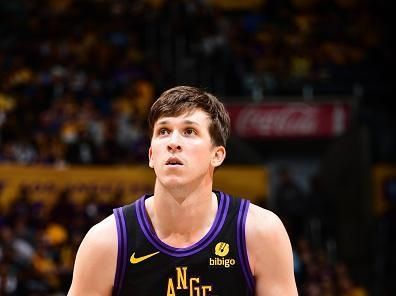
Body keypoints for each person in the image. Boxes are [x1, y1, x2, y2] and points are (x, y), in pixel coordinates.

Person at [68, 86, 298, 295]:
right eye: (164, 131)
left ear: (216, 155)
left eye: (189, 131)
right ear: (151, 155)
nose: (173, 142)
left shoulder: (260, 232)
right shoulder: (106, 241)